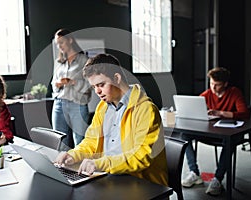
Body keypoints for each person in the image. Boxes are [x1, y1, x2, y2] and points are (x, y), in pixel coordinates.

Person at [55, 53, 168, 186]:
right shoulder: (102, 107)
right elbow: (91, 142)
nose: (97, 91)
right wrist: (73, 155)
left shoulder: (146, 109)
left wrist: (100, 164)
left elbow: (142, 155)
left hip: (143, 184)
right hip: (111, 177)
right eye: (94, 87)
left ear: (116, 78)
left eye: (101, 84)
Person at [181, 67, 250, 195]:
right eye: (211, 83)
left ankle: (217, 179)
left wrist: (221, 113)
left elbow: (244, 114)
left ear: (225, 84)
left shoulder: (234, 92)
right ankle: (194, 173)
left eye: (217, 85)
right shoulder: (207, 93)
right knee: (184, 135)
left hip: (230, 133)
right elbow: (196, 105)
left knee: (229, 142)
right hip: (212, 133)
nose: (213, 88)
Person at [51, 28, 91, 149]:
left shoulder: (84, 60)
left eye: (61, 42)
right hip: (59, 104)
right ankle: (62, 167)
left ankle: (80, 167)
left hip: (77, 105)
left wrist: (72, 82)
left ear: (70, 40)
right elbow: (53, 84)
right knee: (59, 141)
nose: (59, 46)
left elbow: (90, 85)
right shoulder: (58, 62)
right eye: (57, 44)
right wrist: (58, 84)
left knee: (80, 141)